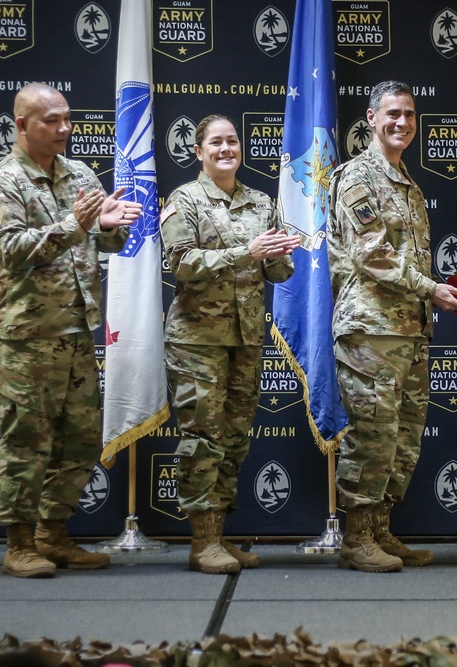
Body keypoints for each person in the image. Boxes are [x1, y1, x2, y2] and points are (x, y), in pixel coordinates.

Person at [0, 83, 140, 577]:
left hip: (76, 332)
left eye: (67, 119)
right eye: (51, 121)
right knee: (26, 442)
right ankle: (19, 543)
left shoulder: (80, 174)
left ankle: (53, 534)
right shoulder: (1, 182)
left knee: (79, 440)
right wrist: (75, 224)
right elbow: (9, 251)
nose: (65, 129)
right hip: (26, 337)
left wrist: (112, 227)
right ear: (22, 125)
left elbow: (101, 243)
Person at [327, 81, 457, 573]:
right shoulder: (358, 177)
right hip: (371, 329)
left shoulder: (406, 179)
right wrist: (433, 289)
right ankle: (356, 537)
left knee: (403, 436)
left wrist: (439, 293)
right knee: (372, 434)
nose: (402, 122)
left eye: (409, 114)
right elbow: (372, 256)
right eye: (392, 113)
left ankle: (382, 531)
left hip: (408, 329)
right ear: (371, 118)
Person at [161, 114, 299, 574]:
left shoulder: (261, 202)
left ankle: (218, 533)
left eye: (233, 141)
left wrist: (284, 256)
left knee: (234, 439)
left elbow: (275, 272)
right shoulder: (185, 199)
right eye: (216, 143)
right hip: (197, 340)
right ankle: (202, 542)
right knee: (203, 438)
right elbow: (180, 264)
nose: (226, 149)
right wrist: (248, 252)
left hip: (245, 338)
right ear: (198, 151)